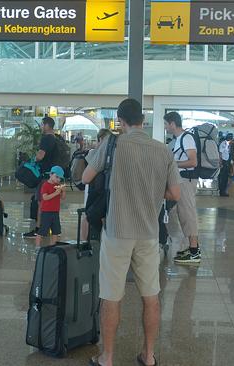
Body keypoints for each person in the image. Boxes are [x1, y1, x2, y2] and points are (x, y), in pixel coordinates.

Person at [83, 98, 180, 366]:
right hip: (149, 234)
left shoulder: (112, 145)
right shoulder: (163, 150)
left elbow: (85, 178)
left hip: (117, 232)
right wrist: (150, 190)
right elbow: (175, 193)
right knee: (151, 297)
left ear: (120, 119)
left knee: (111, 296)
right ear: (143, 120)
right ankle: (148, 356)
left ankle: (107, 358)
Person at [164, 111, 201, 264]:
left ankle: (194, 252)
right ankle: (192, 248)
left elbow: (193, 162)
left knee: (188, 213)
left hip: (186, 181)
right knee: (183, 214)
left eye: (166, 124)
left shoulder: (187, 138)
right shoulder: (179, 139)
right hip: (181, 181)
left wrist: (173, 165)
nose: (165, 127)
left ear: (172, 123)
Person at [23, 116, 58, 238]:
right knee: (49, 201)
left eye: (42, 125)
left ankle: (39, 230)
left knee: (41, 202)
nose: (41, 127)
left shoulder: (46, 138)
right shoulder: (55, 138)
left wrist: (35, 158)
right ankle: (48, 228)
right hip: (53, 174)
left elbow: (41, 156)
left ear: (47, 125)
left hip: (44, 176)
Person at [80, 129, 112, 242]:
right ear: (101, 139)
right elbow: (86, 178)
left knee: (97, 216)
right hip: (95, 190)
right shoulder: (93, 153)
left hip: (101, 190)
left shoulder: (106, 153)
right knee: (88, 215)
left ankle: (96, 241)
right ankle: (85, 241)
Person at [36, 166, 66, 250]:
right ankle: (37, 246)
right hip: (46, 212)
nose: (58, 180)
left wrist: (63, 191)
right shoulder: (45, 185)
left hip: (55, 212)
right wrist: (56, 193)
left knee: (55, 231)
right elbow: (45, 198)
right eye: (57, 177)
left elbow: (63, 198)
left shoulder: (58, 186)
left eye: (60, 178)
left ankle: (52, 246)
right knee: (42, 230)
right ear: (51, 175)